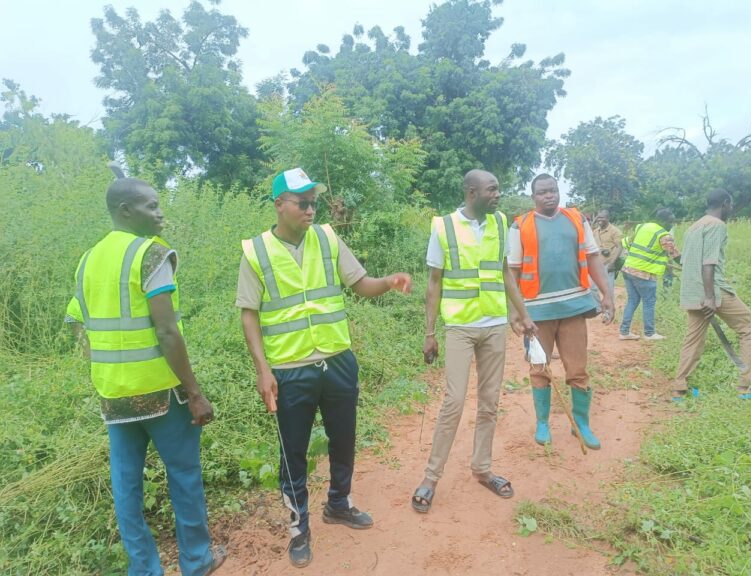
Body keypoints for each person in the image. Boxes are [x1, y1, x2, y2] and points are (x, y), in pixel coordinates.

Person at [237, 168, 411, 568]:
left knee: (344, 438)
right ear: (279, 204)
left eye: (313, 201)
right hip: (290, 369)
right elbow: (248, 315)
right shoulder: (256, 252)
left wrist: (387, 281)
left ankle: (339, 503)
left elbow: (360, 283)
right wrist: (264, 371)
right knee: (293, 453)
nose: (311, 208)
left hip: (337, 361)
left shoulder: (328, 238)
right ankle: (299, 528)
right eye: (302, 202)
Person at [65, 166, 226, 576]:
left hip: (112, 394)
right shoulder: (150, 253)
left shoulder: (87, 260)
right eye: (150, 206)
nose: (159, 214)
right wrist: (194, 391)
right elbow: (167, 331)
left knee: (126, 486)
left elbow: (77, 325)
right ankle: (196, 560)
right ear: (124, 210)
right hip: (160, 391)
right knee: (184, 474)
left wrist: (104, 365)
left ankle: (144, 569)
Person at [411, 170, 536, 514]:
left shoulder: (499, 223)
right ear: (471, 192)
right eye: (492, 189)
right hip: (460, 328)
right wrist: (429, 332)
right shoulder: (443, 227)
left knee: (489, 402)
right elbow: (434, 282)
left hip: (494, 325)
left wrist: (522, 314)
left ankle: (482, 469)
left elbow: (504, 273)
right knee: (453, 401)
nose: (498, 194)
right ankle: (431, 478)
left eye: (497, 188)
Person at [509, 174, 615, 450]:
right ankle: (543, 423)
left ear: (559, 192)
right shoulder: (520, 226)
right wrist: (516, 312)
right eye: (542, 192)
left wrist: (607, 294)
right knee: (539, 368)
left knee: (578, 369)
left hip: (574, 308)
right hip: (536, 314)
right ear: (533, 197)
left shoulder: (577, 220)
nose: (549, 196)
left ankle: (581, 423)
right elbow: (512, 271)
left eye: (552, 191)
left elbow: (593, 257)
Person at [671, 189, 751, 398]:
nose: (731, 209)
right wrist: (711, 297)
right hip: (712, 291)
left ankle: (679, 388)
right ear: (725, 203)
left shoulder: (693, 227)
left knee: (693, 339)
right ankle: (745, 385)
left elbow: (686, 261)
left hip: (692, 291)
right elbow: (708, 263)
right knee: (750, 327)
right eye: (730, 205)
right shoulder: (716, 225)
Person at [619, 208, 680, 341]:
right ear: (662, 221)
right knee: (649, 302)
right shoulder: (663, 235)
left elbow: (625, 243)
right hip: (644, 273)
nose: (672, 224)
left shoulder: (642, 227)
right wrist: (686, 265)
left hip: (628, 269)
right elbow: (675, 255)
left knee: (632, 300)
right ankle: (649, 333)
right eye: (670, 221)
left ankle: (624, 332)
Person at [593, 209, 624, 297]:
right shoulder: (595, 231)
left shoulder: (615, 231)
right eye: (598, 218)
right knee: (592, 288)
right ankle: (598, 308)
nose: (599, 220)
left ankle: (609, 310)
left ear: (608, 218)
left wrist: (612, 263)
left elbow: (619, 247)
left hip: (608, 264)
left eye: (602, 218)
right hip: (596, 264)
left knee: (608, 290)